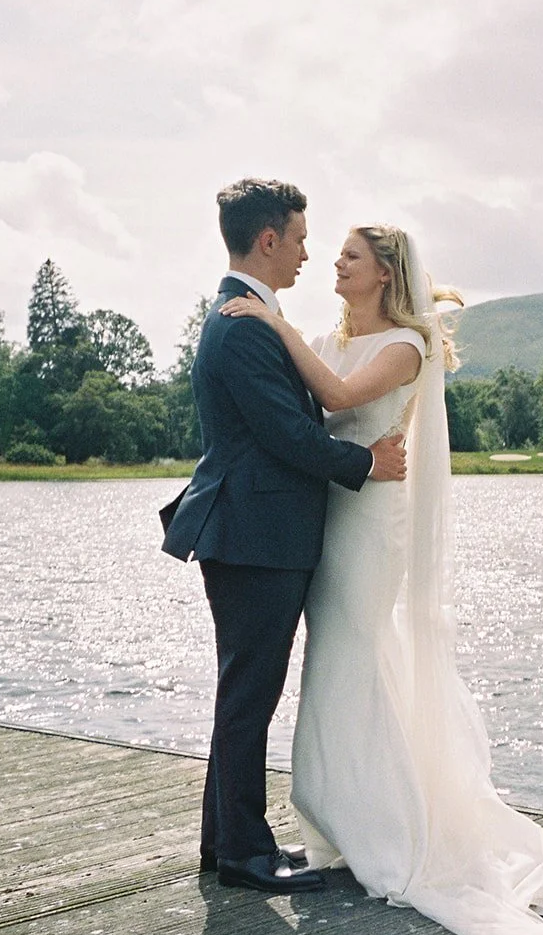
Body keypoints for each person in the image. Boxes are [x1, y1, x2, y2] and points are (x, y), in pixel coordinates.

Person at [217, 224, 543, 935]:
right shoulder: (328, 334)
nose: (332, 264)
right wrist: (285, 334)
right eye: (331, 251)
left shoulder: (407, 346)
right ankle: (340, 819)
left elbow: (338, 396)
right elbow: (305, 412)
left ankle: (388, 826)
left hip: (372, 521)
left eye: (348, 256)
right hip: (329, 514)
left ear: (383, 273)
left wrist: (274, 323)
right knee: (332, 665)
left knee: (357, 652)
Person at [160, 179, 408, 895]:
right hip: (253, 534)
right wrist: (368, 462)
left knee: (244, 692)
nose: (307, 254)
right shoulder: (241, 326)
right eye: (299, 239)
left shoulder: (250, 318)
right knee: (249, 695)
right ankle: (243, 852)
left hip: (255, 532)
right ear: (267, 239)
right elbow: (289, 436)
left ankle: (227, 841)